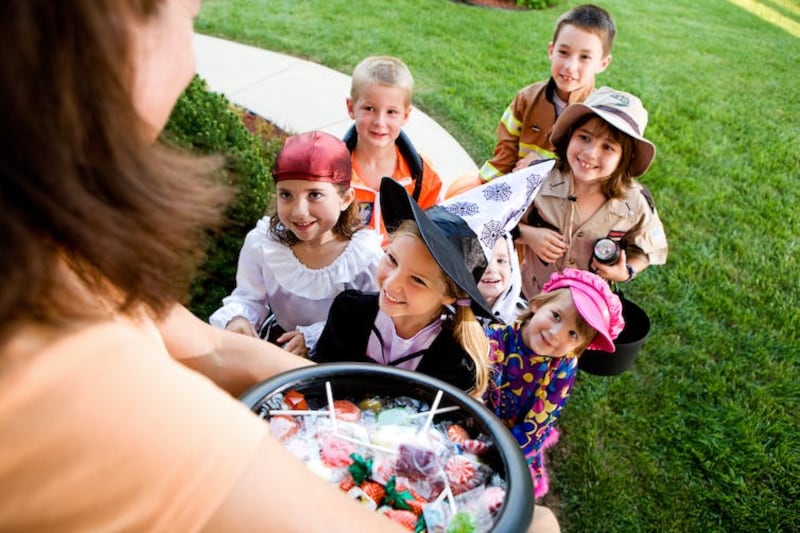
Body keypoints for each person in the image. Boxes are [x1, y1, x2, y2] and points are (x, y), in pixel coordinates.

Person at [0, 1, 408, 531]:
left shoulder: (48, 244)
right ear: (113, 36)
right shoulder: (69, 375)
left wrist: (358, 405)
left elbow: (209, 348)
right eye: (187, 18)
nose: (190, 63)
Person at [209, 130, 382, 356]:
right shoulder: (263, 245)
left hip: (338, 357)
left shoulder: (364, 258)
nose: (300, 212)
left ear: (345, 199)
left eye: (314, 195)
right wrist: (238, 318)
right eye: (286, 195)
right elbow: (249, 297)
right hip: (280, 345)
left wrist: (316, 336)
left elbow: (374, 323)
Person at [314, 178, 492, 397]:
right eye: (392, 260)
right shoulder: (349, 312)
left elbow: (443, 426)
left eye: (418, 280)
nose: (392, 283)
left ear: (449, 296)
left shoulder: (457, 359)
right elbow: (317, 384)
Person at [445, 4, 615, 197]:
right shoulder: (526, 98)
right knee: (461, 193)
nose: (570, 66)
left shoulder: (599, 115)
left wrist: (540, 164)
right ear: (551, 50)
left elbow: (592, 169)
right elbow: (506, 149)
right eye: (563, 52)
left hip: (560, 202)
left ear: (602, 63)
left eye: (585, 57)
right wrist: (487, 187)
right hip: (517, 189)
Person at [484, 268, 625, 499]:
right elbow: (472, 390)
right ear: (538, 304)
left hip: (518, 438)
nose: (556, 334)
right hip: (476, 421)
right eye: (556, 316)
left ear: (579, 347)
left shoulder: (564, 367)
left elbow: (540, 421)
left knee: (500, 492)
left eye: (573, 334)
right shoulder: (494, 338)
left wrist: (502, 458)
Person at [516, 86, 669, 297]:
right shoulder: (538, 178)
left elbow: (646, 250)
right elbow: (498, 223)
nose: (590, 153)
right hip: (530, 292)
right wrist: (529, 235)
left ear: (626, 158)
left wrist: (626, 271)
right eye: (584, 137)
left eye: (608, 147)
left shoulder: (635, 203)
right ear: (569, 135)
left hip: (583, 310)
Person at [342, 55, 444, 241]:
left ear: (405, 115)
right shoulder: (331, 172)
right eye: (369, 109)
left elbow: (432, 233)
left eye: (391, 112)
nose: (380, 122)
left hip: (396, 267)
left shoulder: (421, 176)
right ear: (351, 107)